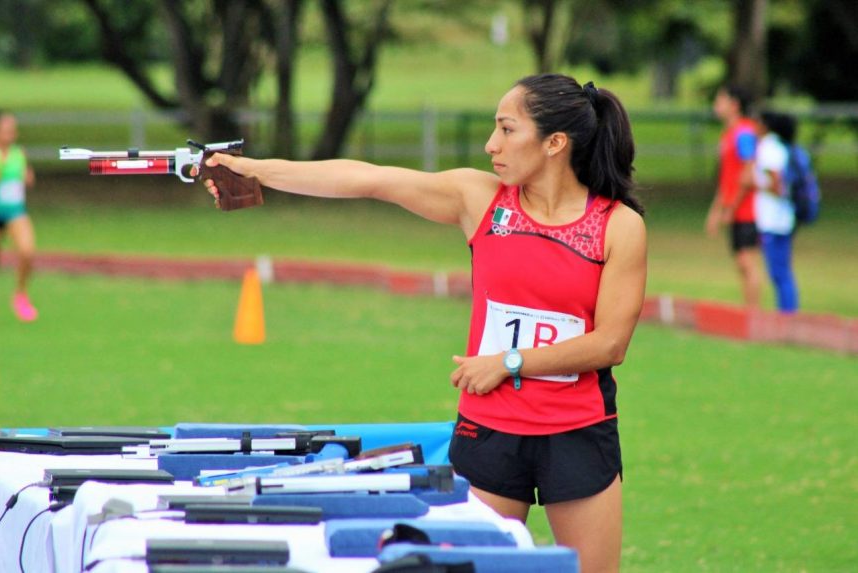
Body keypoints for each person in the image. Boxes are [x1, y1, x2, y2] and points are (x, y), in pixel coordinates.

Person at [199, 73, 647, 573]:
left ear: (554, 143)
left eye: (507, 129)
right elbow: (368, 178)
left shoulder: (618, 226)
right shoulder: (480, 200)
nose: (490, 144)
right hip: (491, 431)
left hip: (578, 433)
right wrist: (257, 170)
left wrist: (508, 362)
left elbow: (610, 343)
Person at [707, 85, 762, 308]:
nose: (716, 106)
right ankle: (748, 311)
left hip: (748, 209)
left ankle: (754, 314)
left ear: (734, 104)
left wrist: (731, 207)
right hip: (735, 208)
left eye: (720, 101)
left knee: (747, 261)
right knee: (741, 262)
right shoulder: (728, 134)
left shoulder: (745, 133)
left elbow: (748, 173)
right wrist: (716, 210)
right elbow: (726, 178)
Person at [755, 111, 799, 313]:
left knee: (779, 272)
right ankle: (787, 313)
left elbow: (777, 186)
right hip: (783, 219)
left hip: (774, 221)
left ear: (765, 125)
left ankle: (787, 316)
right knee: (781, 271)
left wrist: (755, 183)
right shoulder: (779, 146)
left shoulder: (769, 148)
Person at [0, 110, 38, 322]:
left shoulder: (18, 153)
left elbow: (27, 178)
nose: (10, 134)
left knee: (27, 251)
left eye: (13, 130)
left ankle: (21, 295)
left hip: (14, 211)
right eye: (5, 129)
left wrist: (27, 177)